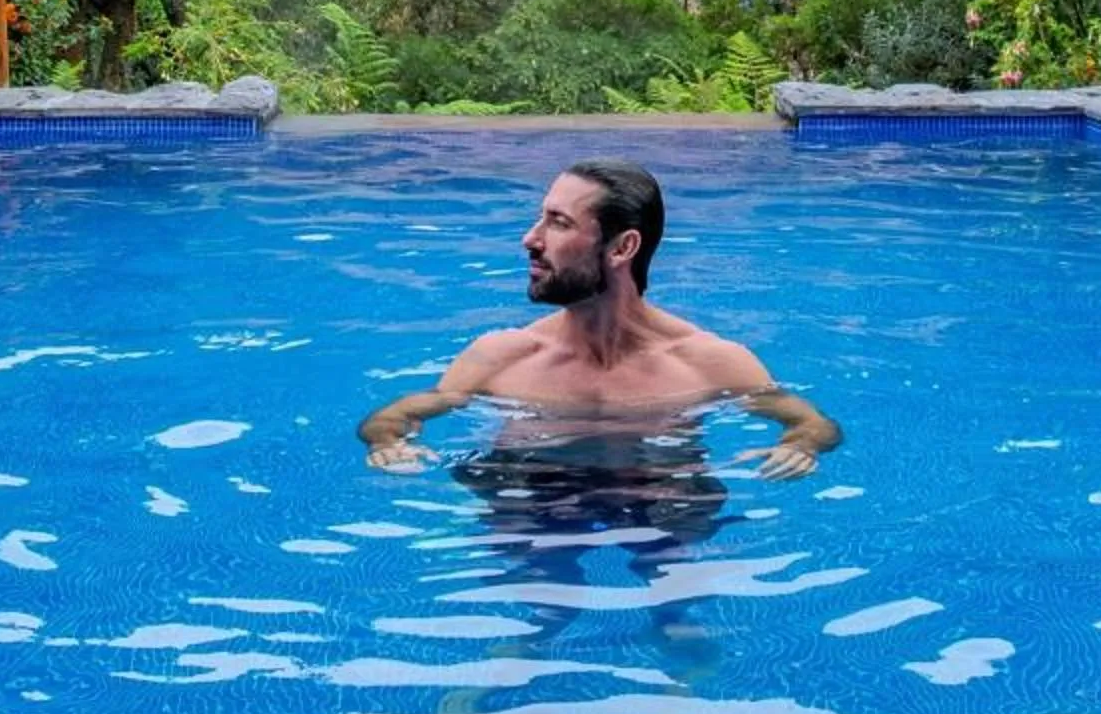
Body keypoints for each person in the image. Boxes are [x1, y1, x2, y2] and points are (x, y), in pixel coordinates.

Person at [356, 158, 842, 484]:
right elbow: (396, 415)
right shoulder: (500, 357)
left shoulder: (710, 362)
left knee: (680, 500)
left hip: (656, 492)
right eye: (540, 218)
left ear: (623, 247)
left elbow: (811, 421)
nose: (531, 238)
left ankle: (676, 620)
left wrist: (800, 444)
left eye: (558, 223)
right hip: (534, 496)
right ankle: (535, 631)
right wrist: (388, 442)